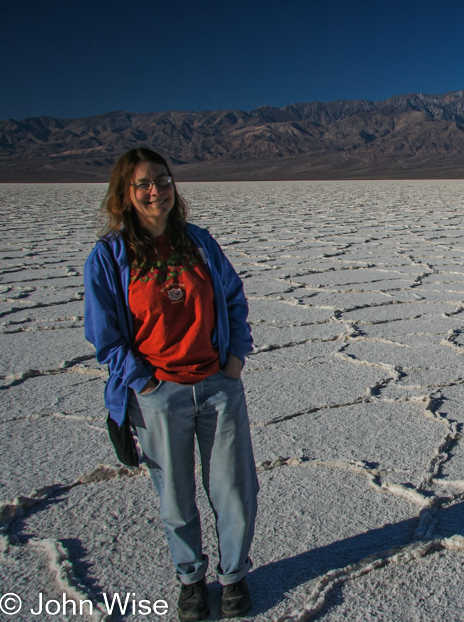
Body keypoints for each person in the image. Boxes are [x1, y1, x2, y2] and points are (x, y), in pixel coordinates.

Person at [83, 148, 257, 621]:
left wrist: (235, 358)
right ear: (125, 194)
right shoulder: (109, 257)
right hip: (159, 397)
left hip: (217, 385)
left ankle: (235, 576)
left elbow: (233, 297)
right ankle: (191, 581)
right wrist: (143, 383)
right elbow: (104, 335)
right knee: (176, 498)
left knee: (234, 491)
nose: (155, 191)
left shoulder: (198, 242)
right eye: (142, 184)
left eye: (162, 180)